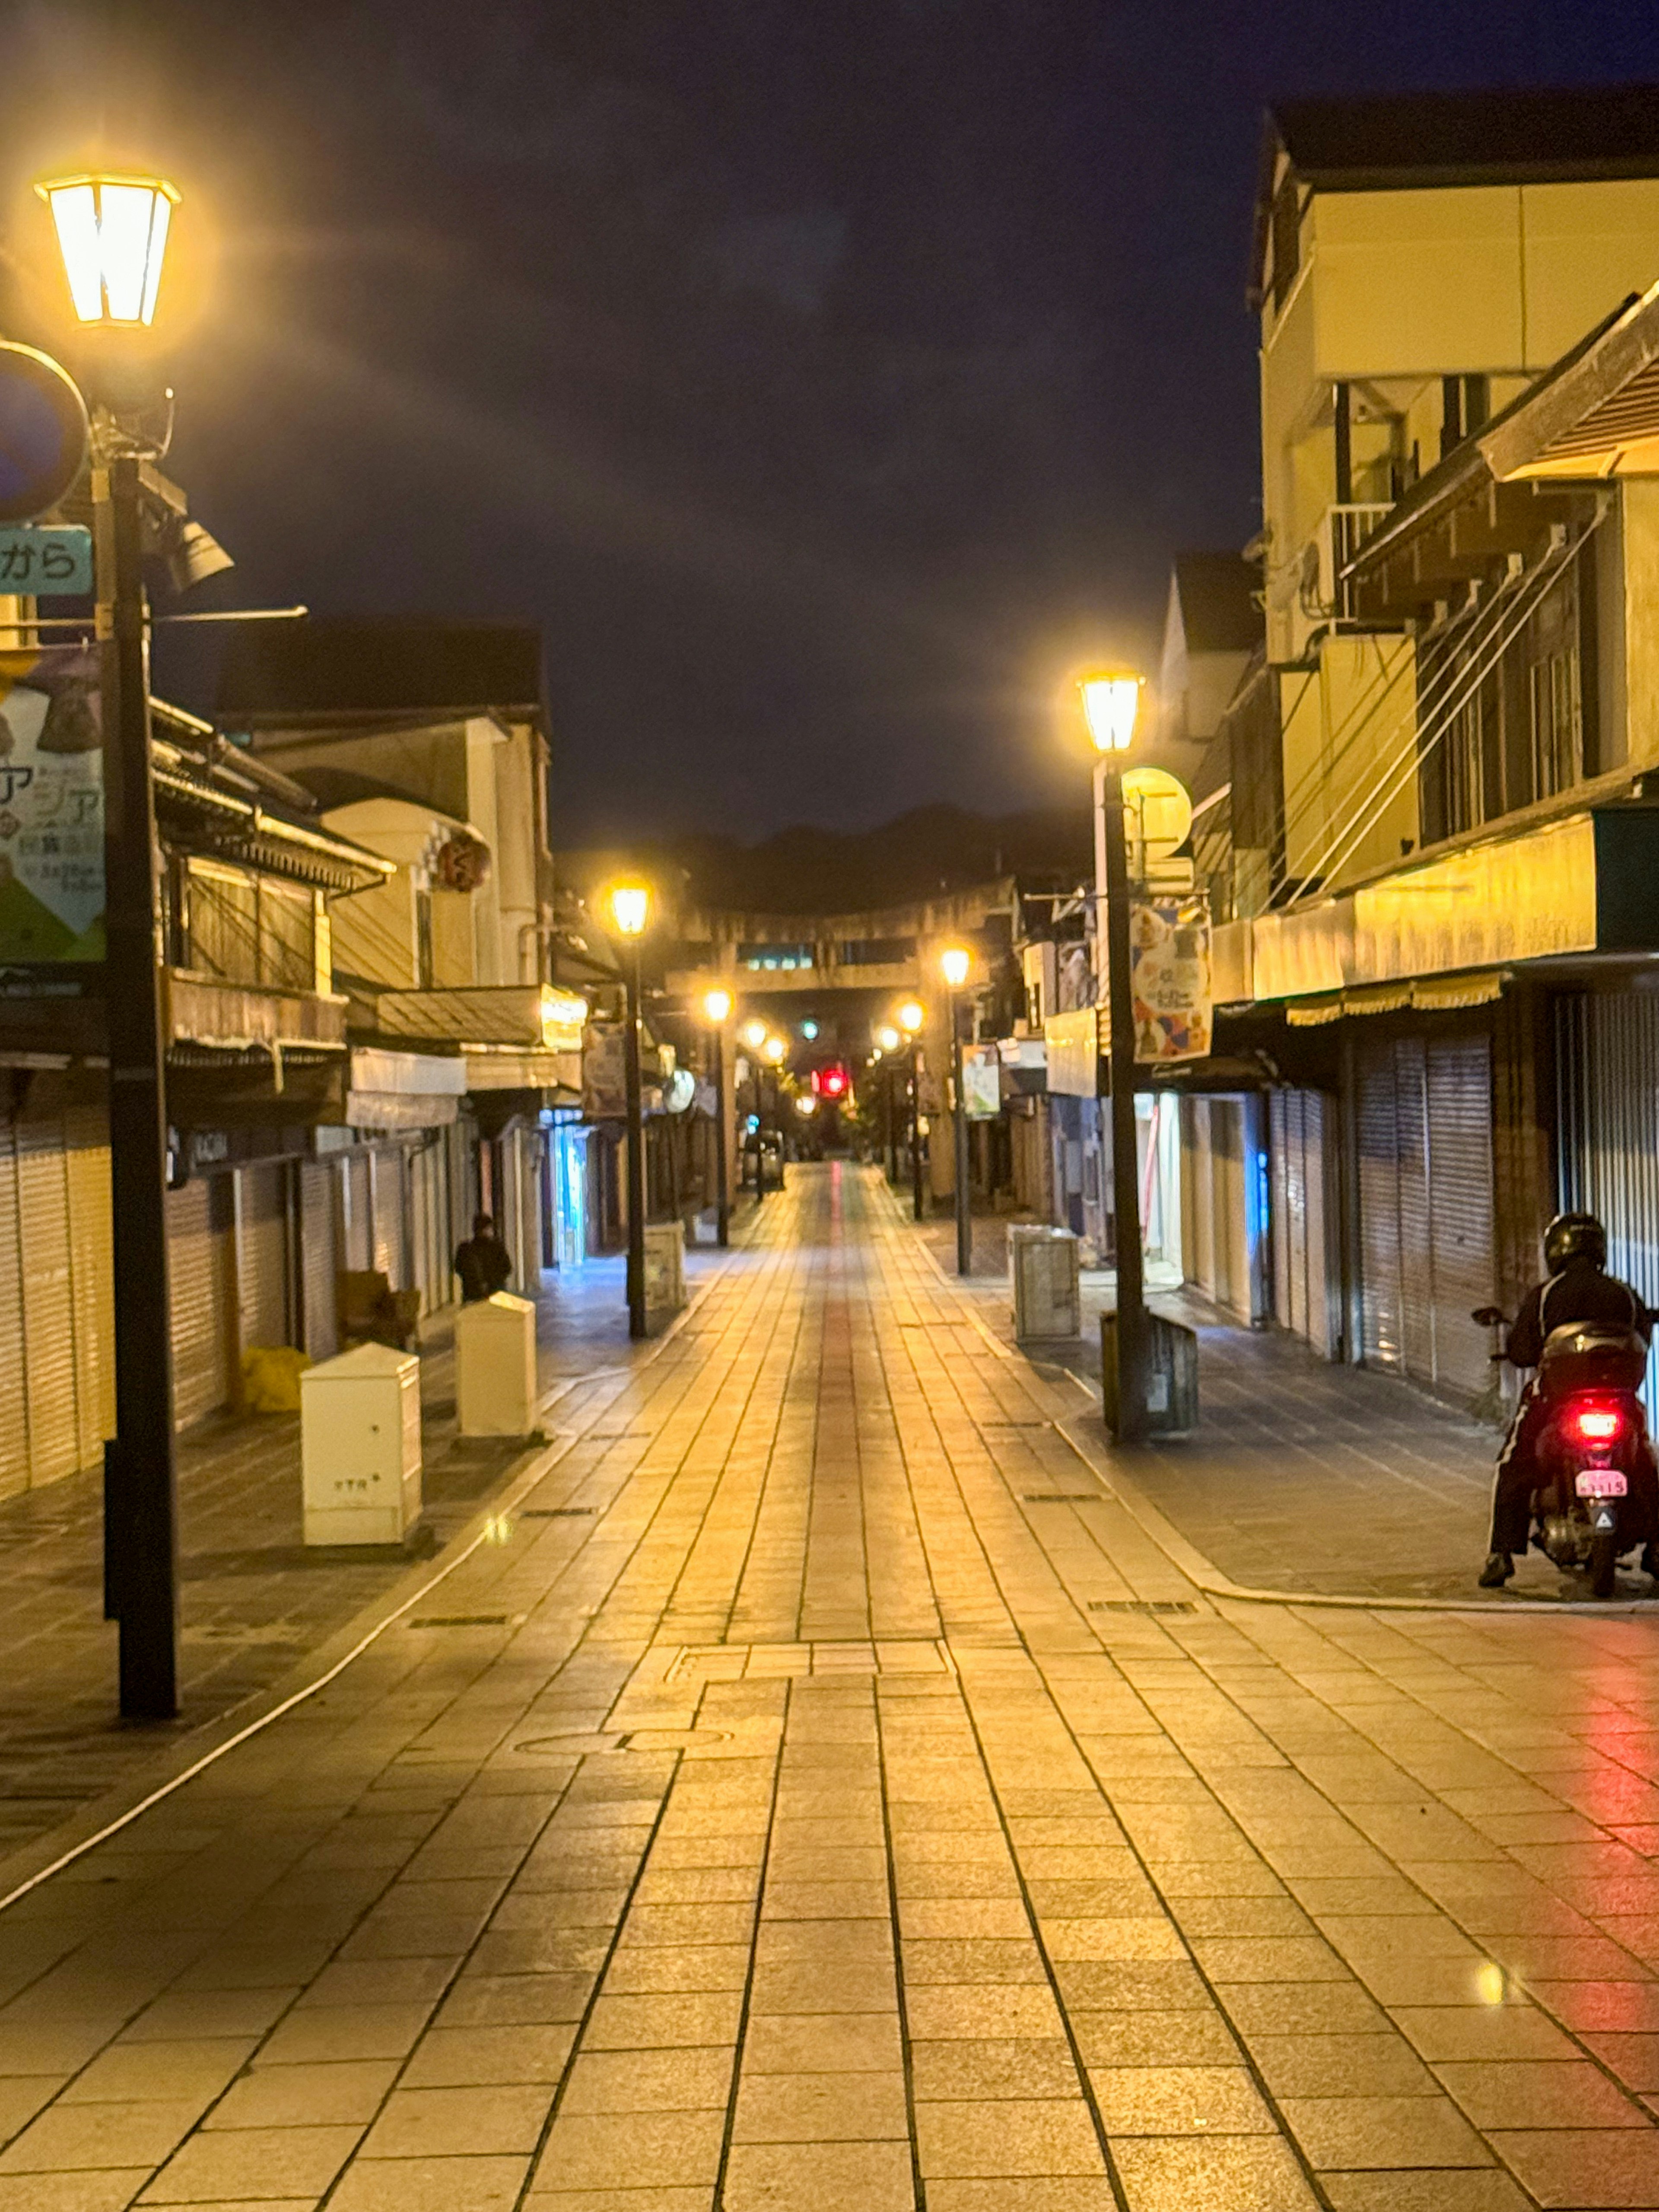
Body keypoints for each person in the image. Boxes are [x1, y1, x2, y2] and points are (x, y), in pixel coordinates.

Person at [1480, 1212, 1659, 1587]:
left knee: (1515, 1461)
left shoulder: (1546, 1296)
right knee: (1646, 1463)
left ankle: (1501, 1554)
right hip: (1620, 1402)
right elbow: (1644, 1336)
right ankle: (1657, 1551)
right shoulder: (1624, 1294)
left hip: (1555, 1403)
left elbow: (1522, 1351)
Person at [454, 1213, 512, 1304]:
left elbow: (458, 1269)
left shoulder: (465, 1249)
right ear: (489, 1229)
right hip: (496, 1295)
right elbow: (507, 1268)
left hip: (472, 1296)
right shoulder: (497, 1247)